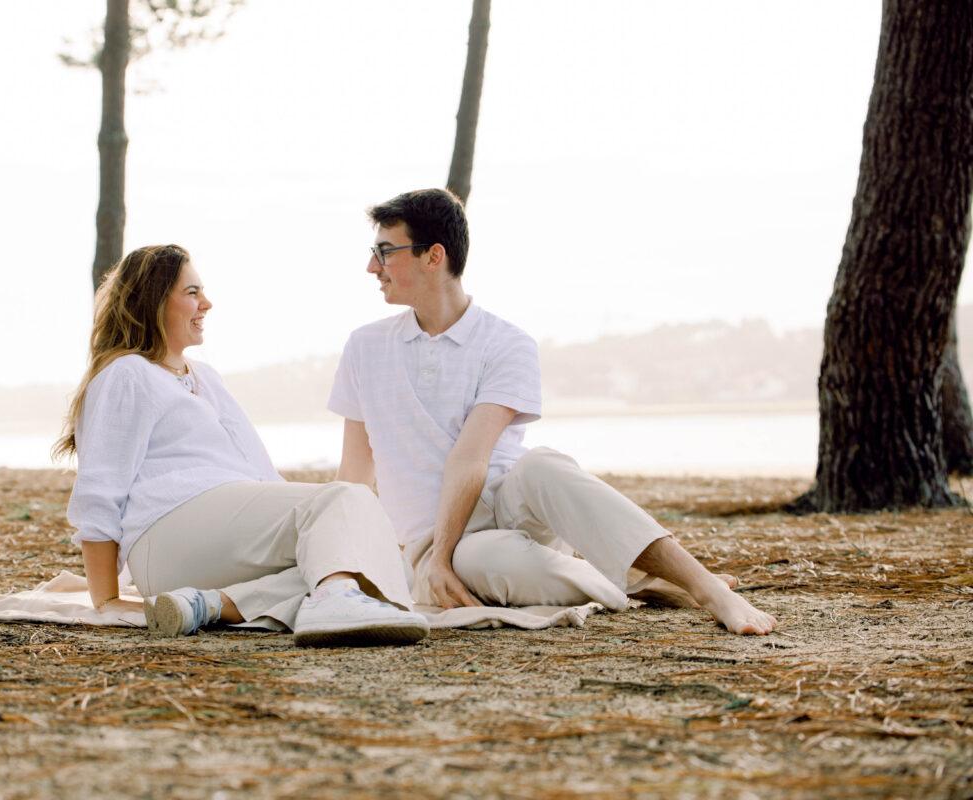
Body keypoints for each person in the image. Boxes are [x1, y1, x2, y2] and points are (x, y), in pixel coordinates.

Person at [328, 189, 777, 635]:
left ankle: (709, 589)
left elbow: (471, 457)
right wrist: (350, 567)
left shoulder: (506, 343)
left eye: (385, 252)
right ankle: (628, 582)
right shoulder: (365, 347)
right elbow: (353, 473)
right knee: (483, 561)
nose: (372, 266)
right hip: (433, 539)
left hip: (505, 500)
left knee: (544, 464)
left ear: (434, 256)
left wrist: (444, 557)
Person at [55, 244, 428, 647]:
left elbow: (261, 475)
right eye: (192, 292)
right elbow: (99, 493)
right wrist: (107, 598)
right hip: (166, 536)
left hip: (221, 540)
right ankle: (334, 598)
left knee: (381, 562)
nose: (207, 304)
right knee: (347, 503)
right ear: (154, 301)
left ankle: (208, 605)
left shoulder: (206, 378)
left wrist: (322, 521)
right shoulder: (128, 373)